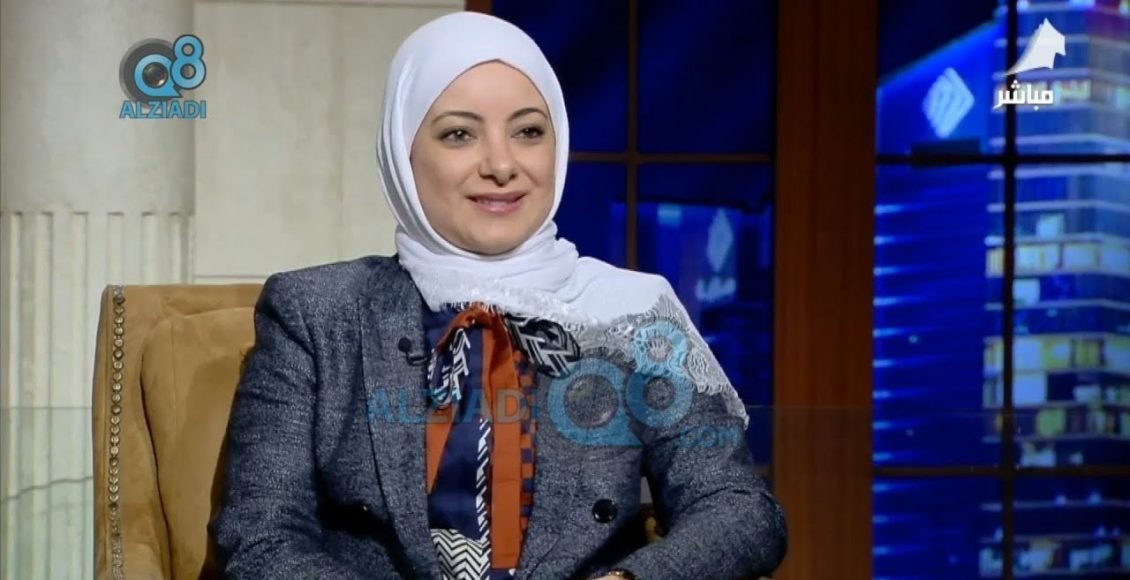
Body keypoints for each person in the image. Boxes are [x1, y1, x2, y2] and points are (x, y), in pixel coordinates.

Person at [210, 11, 786, 580]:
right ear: (403, 153)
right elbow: (261, 536)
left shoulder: (634, 312)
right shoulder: (316, 313)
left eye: (528, 131)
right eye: (459, 134)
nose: (502, 165)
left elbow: (740, 511)